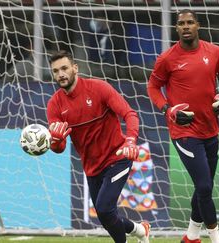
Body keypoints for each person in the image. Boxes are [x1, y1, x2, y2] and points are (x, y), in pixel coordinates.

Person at [147, 9, 219, 243]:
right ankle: (216, 239)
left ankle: (191, 237)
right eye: (181, 24)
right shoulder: (167, 59)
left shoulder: (215, 52)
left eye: (190, 22)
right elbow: (153, 87)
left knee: (203, 188)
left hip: (211, 129)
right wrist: (168, 110)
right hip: (184, 132)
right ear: (176, 28)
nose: (186, 26)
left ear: (198, 25)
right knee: (205, 185)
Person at [46, 50, 150, 243]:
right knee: (105, 216)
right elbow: (58, 149)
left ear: (75, 68)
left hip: (118, 157)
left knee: (103, 208)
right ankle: (140, 230)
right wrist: (56, 140)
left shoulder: (99, 88)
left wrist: (130, 141)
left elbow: (130, 114)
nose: (60, 74)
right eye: (55, 71)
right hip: (92, 167)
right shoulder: (54, 105)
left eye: (64, 68)